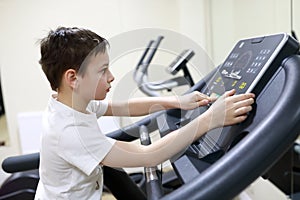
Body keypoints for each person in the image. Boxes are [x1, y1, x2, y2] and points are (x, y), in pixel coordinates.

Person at [34, 27, 255, 199]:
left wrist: (177, 101)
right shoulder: (69, 131)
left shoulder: (70, 103)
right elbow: (148, 155)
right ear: (73, 78)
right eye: (103, 71)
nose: (111, 77)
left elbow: (122, 106)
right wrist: (209, 120)